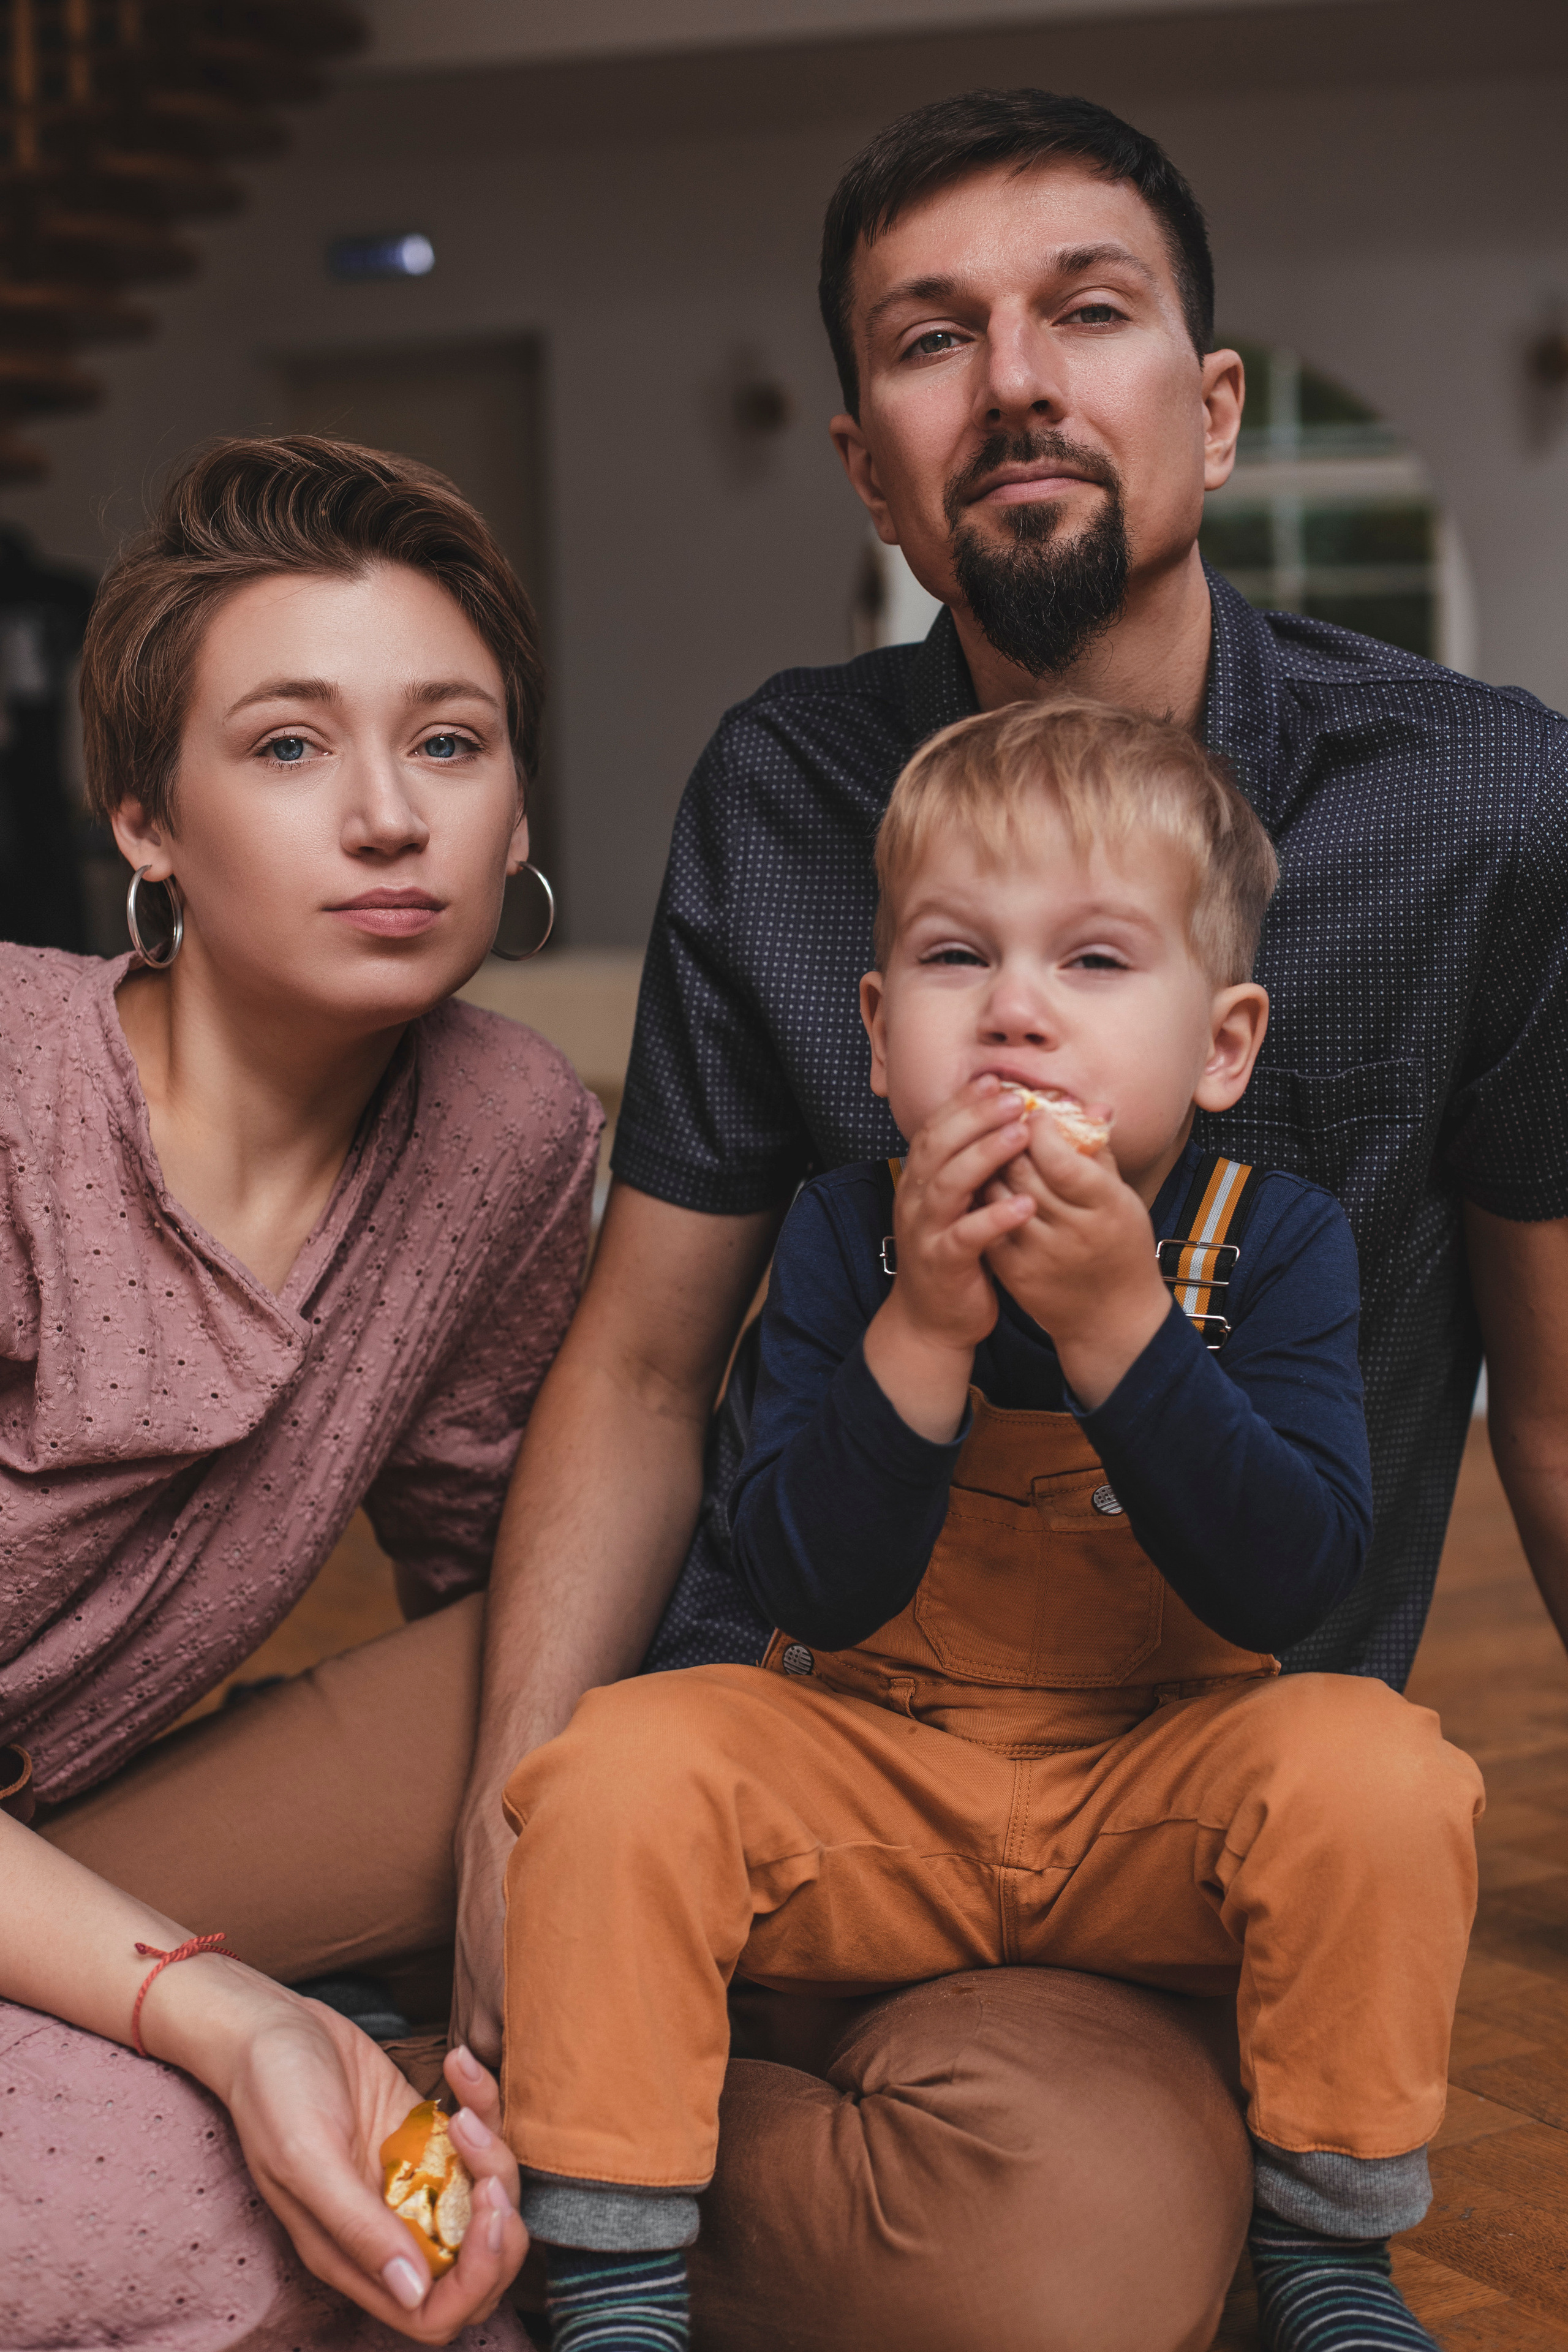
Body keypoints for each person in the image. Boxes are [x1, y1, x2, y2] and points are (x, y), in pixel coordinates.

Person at [452, 86, 1568, 2352]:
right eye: (934, 336)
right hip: (816, 1721)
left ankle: (458, 2103)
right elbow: (653, 1365)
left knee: (1052, 2271)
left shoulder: (1481, 802)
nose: (1022, 378)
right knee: (573, 1813)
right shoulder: (784, 785)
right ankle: (529, 2135)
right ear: (869, 464)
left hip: (1191, 1763)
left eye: (1089, 310)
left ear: (1210, 404)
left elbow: (1557, 1402)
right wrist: (504, 1840)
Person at [499, 699, 1483, 2352]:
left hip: (1149, 1800)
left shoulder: (1274, 1242)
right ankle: (609, 2261)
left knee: (1386, 1771)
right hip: (876, 1776)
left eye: (1095, 965)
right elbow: (806, 1576)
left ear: (1223, 1043)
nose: (1017, 1011)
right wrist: (925, 1335)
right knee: (619, 1764)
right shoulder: (841, 1235)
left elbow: (1297, 1579)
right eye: (961, 959)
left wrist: (1119, 1327)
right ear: (882, 1032)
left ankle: (1325, 2245)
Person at [0, 434, 602, 2348]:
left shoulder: (505, 1131)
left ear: (517, 817)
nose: (386, 817)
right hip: (105, 1898)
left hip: (84, 1828)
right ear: (142, 822)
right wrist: (226, 2007)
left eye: (448, 743)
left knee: (612, 1636)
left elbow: (492, 1557)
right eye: (285, 746)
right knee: (236, 2244)